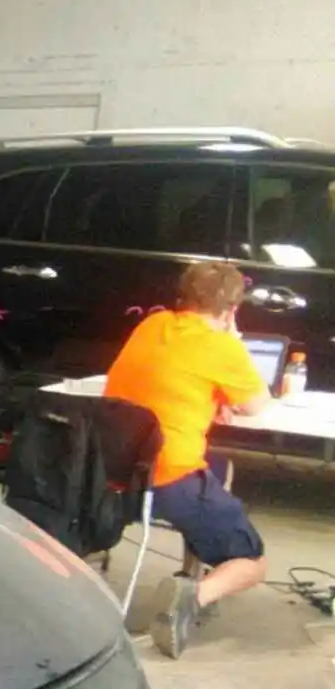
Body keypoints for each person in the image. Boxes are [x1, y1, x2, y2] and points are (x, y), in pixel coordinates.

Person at [104, 260, 271, 658]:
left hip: (114, 469)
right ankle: (193, 593)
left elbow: (167, 383)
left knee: (218, 470)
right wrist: (234, 343)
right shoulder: (221, 346)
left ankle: (194, 559)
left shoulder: (151, 326)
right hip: (167, 475)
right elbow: (256, 404)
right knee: (252, 561)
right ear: (232, 310)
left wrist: (210, 398)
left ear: (182, 297)